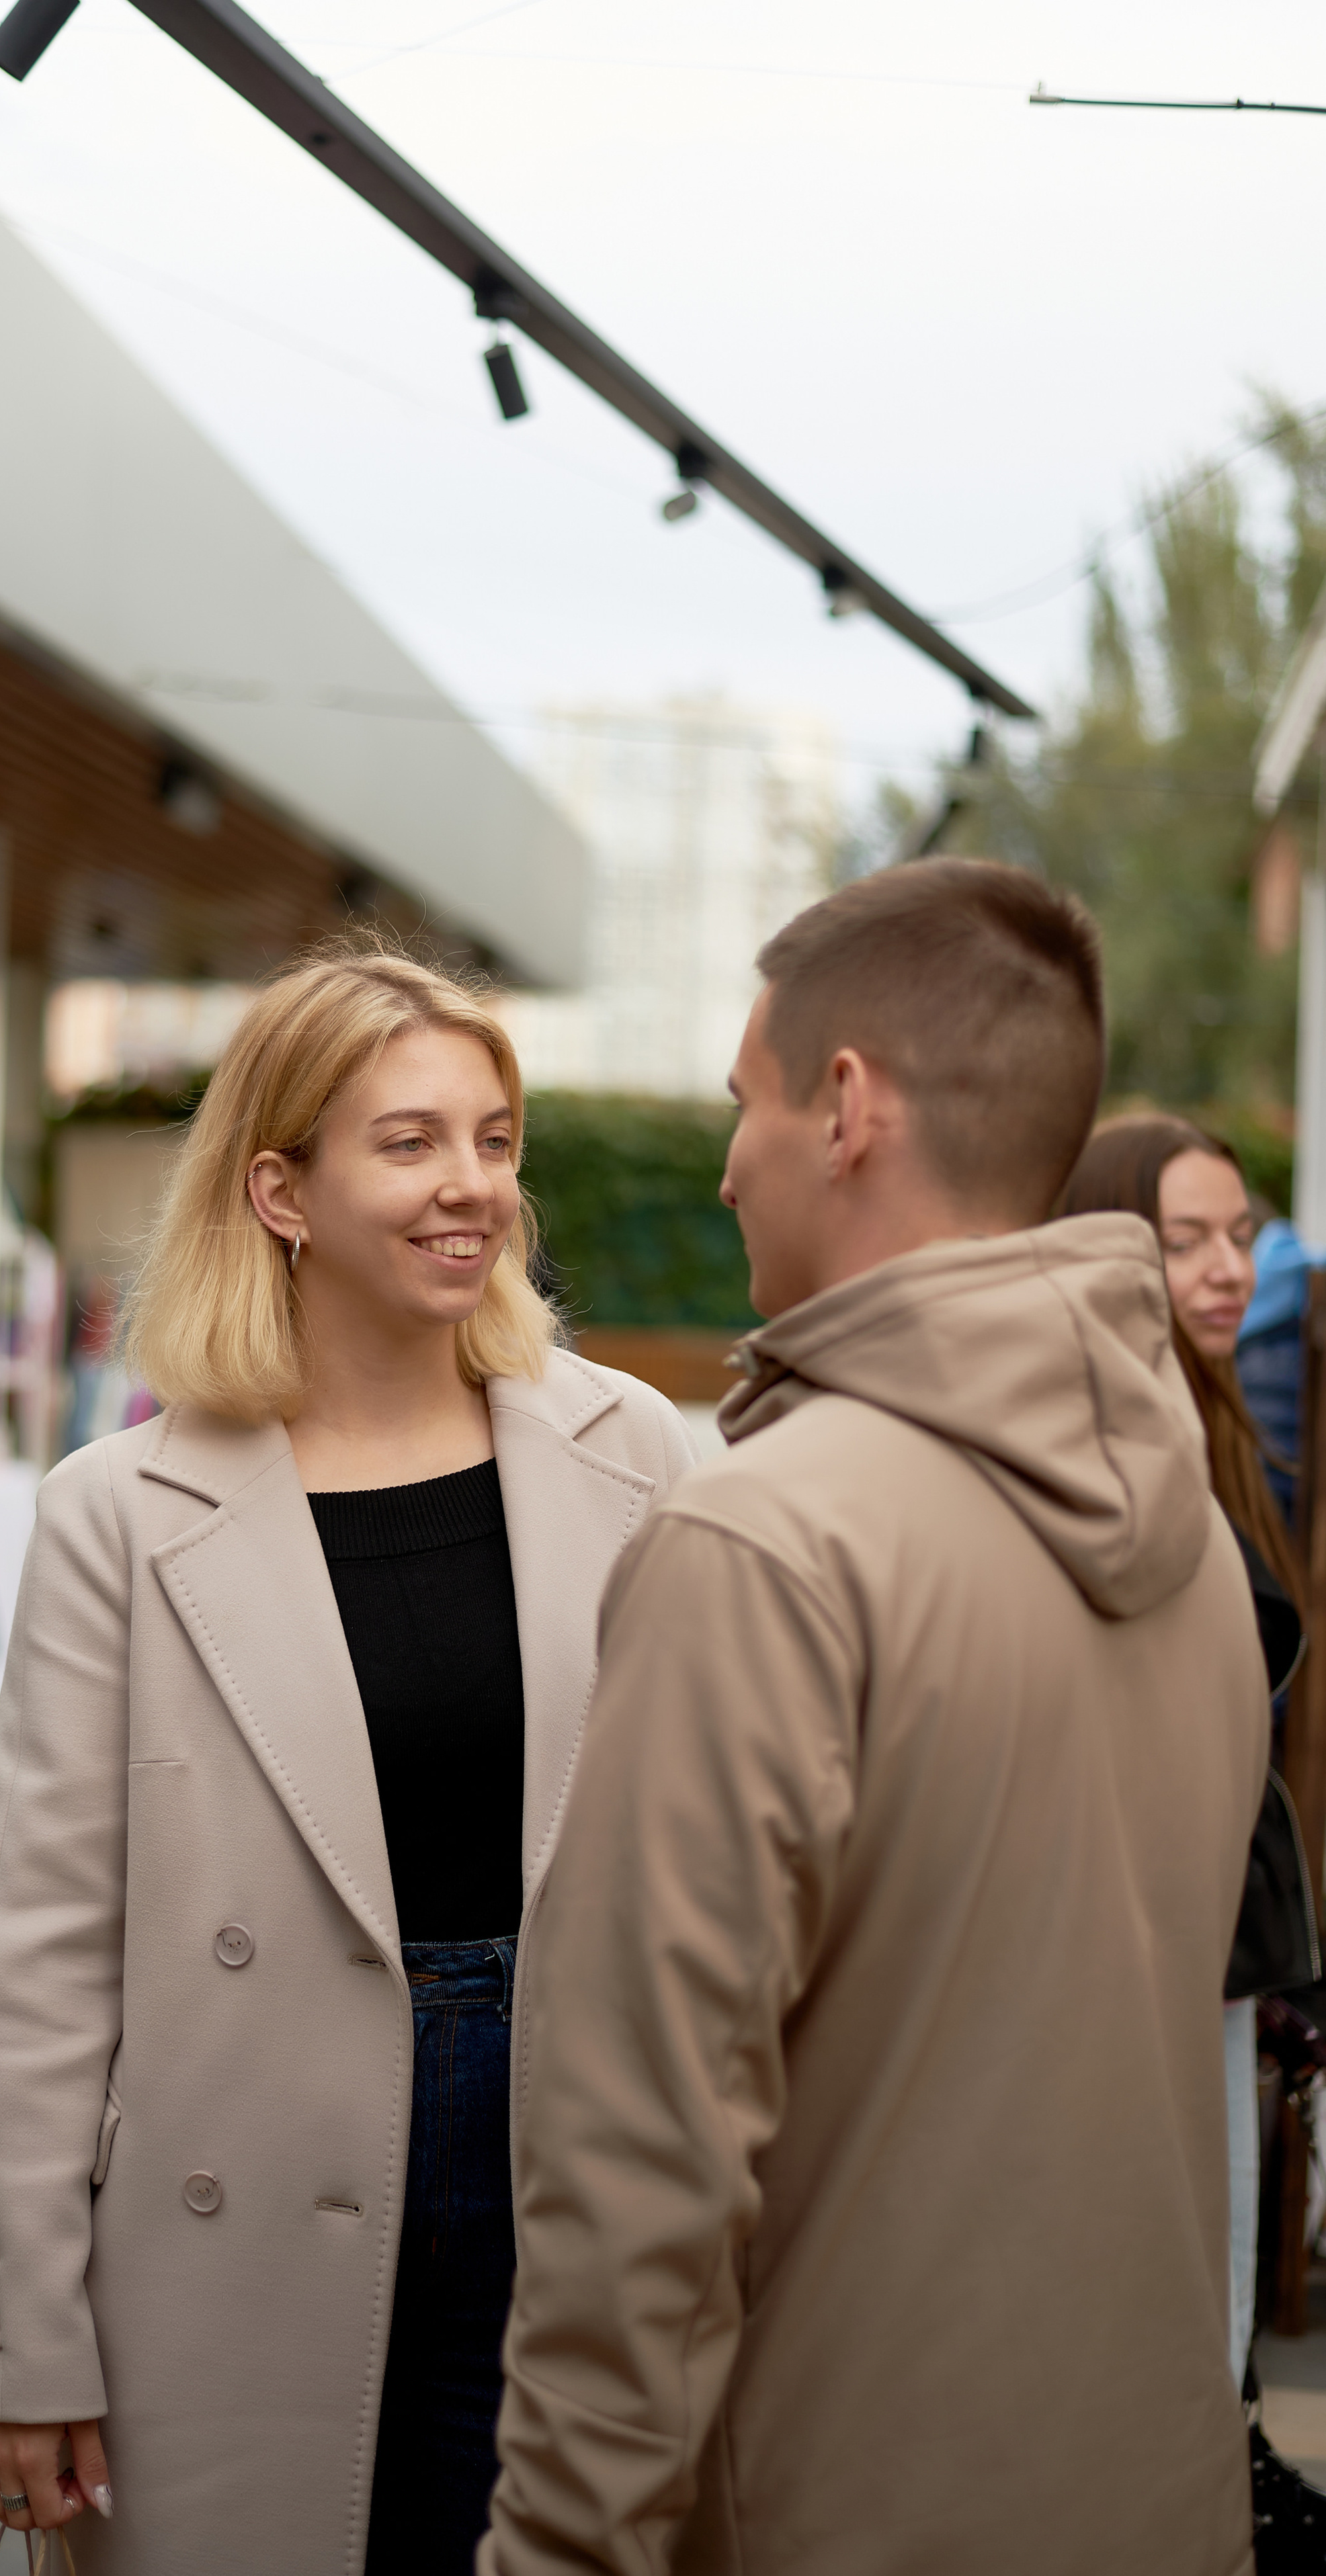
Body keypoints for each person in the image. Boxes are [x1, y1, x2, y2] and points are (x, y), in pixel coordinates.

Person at [479, 859, 1268, 2576]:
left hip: (831, 2512)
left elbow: (638, 2179)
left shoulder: (759, 1544)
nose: (721, 1161)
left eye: (742, 1101)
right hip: (1152, 2500)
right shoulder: (1194, 1545)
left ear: (845, 1109)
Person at [0, 945, 696, 2572]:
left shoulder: (630, 1452)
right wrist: (25, 2337)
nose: (472, 1189)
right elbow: (41, 1961)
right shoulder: (119, 1512)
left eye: (495, 1139)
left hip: (563, 2161)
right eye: (412, 1141)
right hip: (232, 2198)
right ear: (280, 1189)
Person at [1059, 1117, 1311, 2393]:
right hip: (1138, 1970)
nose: (1229, 1270)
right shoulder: (1101, 1452)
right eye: (1186, 1240)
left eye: (1244, 1236)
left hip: (1215, 1959)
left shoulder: (1206, 1422)